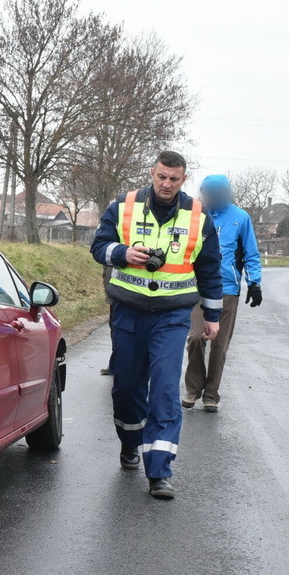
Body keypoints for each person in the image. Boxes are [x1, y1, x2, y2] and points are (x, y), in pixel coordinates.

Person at [91, 151, 222, 500]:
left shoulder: (198, 215)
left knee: (164, 389)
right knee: (127, 389)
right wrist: (122, 253)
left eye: (174, 179)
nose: (166, 184)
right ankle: (130, 444)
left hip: (172, 316)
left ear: (183, 179)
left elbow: (210, 267)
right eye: (161, 177)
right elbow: (98, 246)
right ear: (152, 173)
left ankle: (159, 471)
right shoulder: (123, 206)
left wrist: (212, 316)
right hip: (129, 312)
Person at [183, 174, 262, 413]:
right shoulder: (195, 215)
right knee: (196, 337)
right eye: (209, 193)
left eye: (218, 194)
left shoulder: (241, 218)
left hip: (227, 289)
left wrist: (255, 282)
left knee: (219, 344)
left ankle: (211, 394)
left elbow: (251, 253)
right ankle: (193, 388)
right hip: (197, 286)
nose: (213, 198)